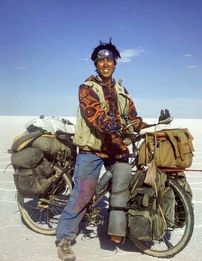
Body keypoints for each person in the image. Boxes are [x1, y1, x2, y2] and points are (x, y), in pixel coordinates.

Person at [56, 40, 150, 261]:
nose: (105, 63)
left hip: (116, 149)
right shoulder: (87, 88)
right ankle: (64, 239)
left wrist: (148, 127)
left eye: (109, 59)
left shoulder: (121, 91)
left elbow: (133, 117)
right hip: (92, 150)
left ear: (115, 63)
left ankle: (117, 230)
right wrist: (111, 124)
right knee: (83, 195)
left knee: (124, 188)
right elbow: (94, 114)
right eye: (101, 60)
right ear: (95, 65)